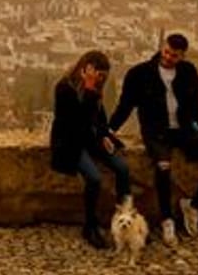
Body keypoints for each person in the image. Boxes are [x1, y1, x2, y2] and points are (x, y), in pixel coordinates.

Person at [109, 33, 198, 245]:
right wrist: (110, 130)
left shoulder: (189, 72)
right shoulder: (139, 74)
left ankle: (194, 207)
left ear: (182, 56)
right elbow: (125, 105)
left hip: (183, 130)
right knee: (163, 166)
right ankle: (167, 220)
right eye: (167, 52)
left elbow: (194, 105)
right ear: (163, 48)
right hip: (155, 131)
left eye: (174, 55)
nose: (169, 57)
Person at [51, 50, 131, 249]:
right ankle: (90, 225)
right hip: (70, 141)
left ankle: (125, 219)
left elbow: (99, 118)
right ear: (84, 68)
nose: (99, 79)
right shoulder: (64, 88)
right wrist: (88, 89)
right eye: (97, 74)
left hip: (91, 139)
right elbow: (77, 122)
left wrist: (104, 136)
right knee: (94, 179)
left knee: (122, 168)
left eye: (103, 76)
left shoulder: (95, 89)